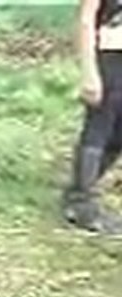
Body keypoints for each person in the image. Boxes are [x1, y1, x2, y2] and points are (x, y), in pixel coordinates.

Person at [63, 0, 122, 235]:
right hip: (108, 57)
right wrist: (89, 72)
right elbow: (86, 19)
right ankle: (81, 203)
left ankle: (79, 190)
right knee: (99, 129)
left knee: (119, 135)